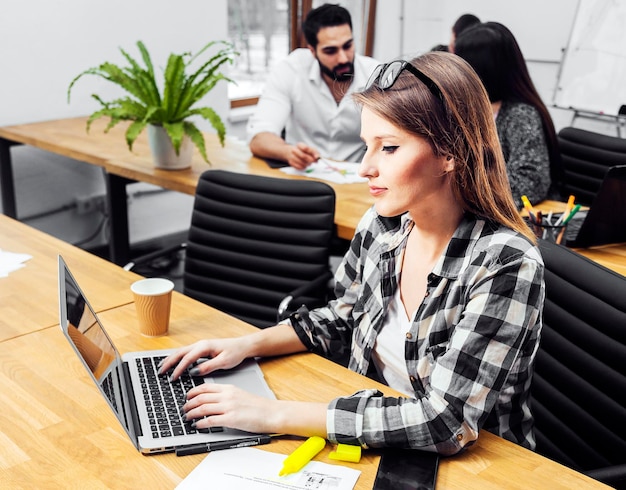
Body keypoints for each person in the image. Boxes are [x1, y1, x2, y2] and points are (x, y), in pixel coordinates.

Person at [159, 52, 545, 455]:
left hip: (484, 468)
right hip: (375, 433)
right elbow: (344, 317)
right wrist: (245, 345)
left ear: (450, 153)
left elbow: (442, 422)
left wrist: (272, 415)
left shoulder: (505, 262)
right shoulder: (384, 224)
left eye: (389, 148)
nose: (364, 168)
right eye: (366, 146)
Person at [246, 3, 379, 170]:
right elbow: (258, 137)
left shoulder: (376, 76)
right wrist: (288, 152)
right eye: (331, 51)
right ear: (312, 51)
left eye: (348, 46)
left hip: (358, 178)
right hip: (305, 178)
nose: (343, 58)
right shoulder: (291, 70)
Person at [454, 22, 561, 207]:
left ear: (480, 69)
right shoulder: (468, 109)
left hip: (522, 220)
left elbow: (530, 182)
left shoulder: (520, 115)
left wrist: (465, 192)